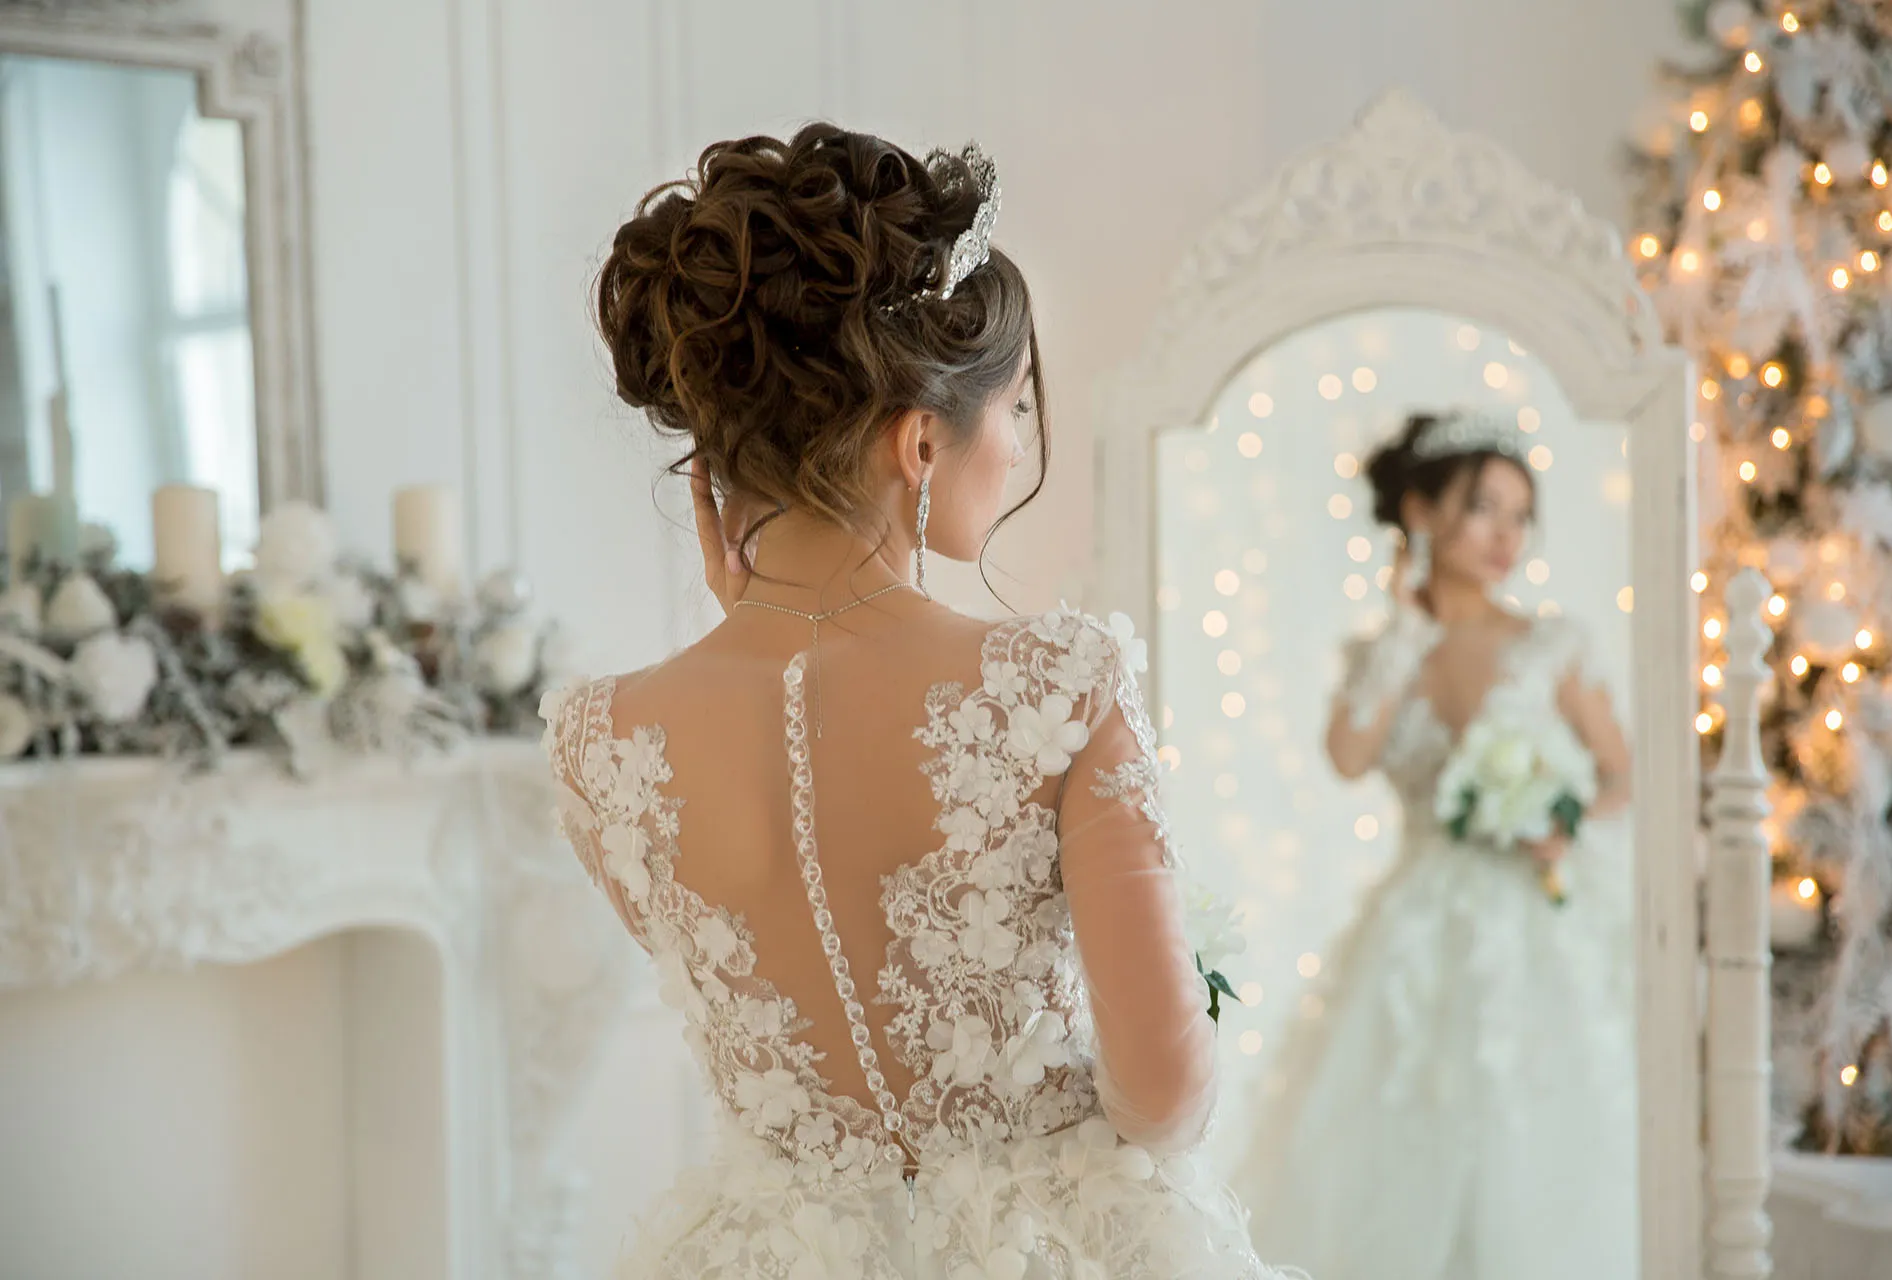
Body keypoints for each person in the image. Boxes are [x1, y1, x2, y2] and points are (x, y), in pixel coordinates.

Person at [542, 123, 1288, 1278]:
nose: (1022, 441)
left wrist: (751, 613)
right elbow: (1162, 1095)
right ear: (922, 439)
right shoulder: (1058, 684)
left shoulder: (600, 742)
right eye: (1018, 409)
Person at [1231, 410, 1638, 1280]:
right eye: (1485, 508)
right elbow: (1347, 756)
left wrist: (1557, 823)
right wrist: (1404, 629)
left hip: (1537, 919)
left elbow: (1623, 777)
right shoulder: (1392, 652)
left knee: (1533, 1134)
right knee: (1405, 1125)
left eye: (1521, 515)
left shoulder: (1549, 643)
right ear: (1421, 511)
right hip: (1420, 926)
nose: (1507, 535)